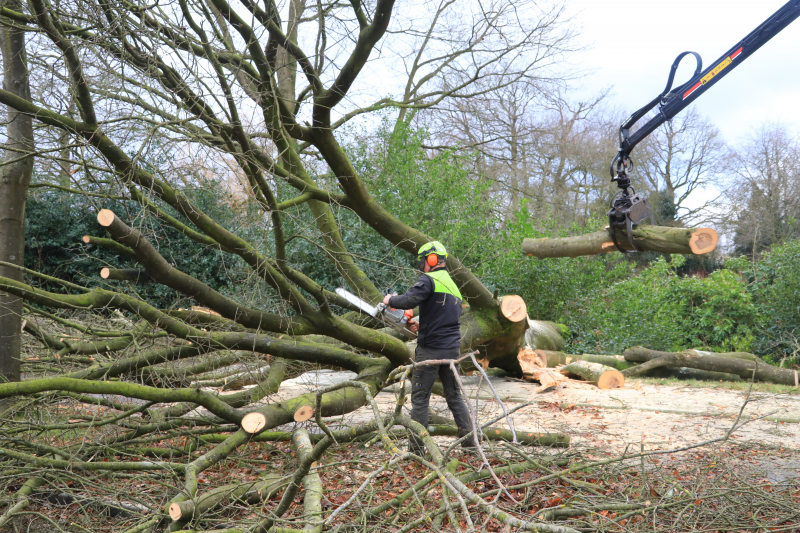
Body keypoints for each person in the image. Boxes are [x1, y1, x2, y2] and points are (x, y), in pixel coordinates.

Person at [383, 241, 476, 454]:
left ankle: (417, 451)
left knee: (420, 398)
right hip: (452, 350)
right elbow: (443, 317)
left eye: (423, 260)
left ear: (431, 259)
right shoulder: (452, 285)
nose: (422, 265)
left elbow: (408, 300)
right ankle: (470, 447)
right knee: (454, 397)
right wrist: (421, 325)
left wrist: (390, 299)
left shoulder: (429, 279)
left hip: (431, 350)